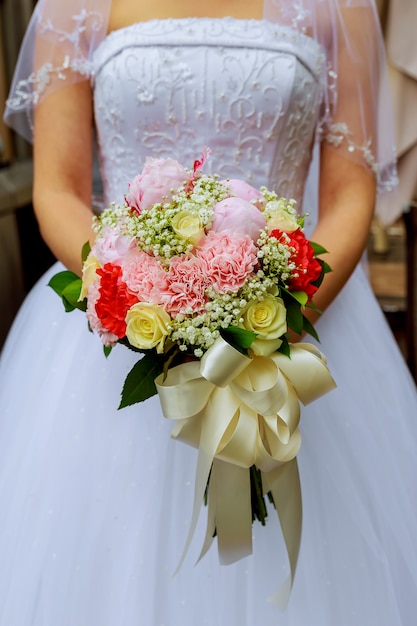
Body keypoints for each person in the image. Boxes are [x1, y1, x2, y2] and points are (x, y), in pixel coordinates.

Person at [1, 0, 417, 624]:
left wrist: (272, 319)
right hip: (113, 333)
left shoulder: (342, 7)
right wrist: (142, 296)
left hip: (301, 320)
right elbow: (57, 188)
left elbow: (350, 193)